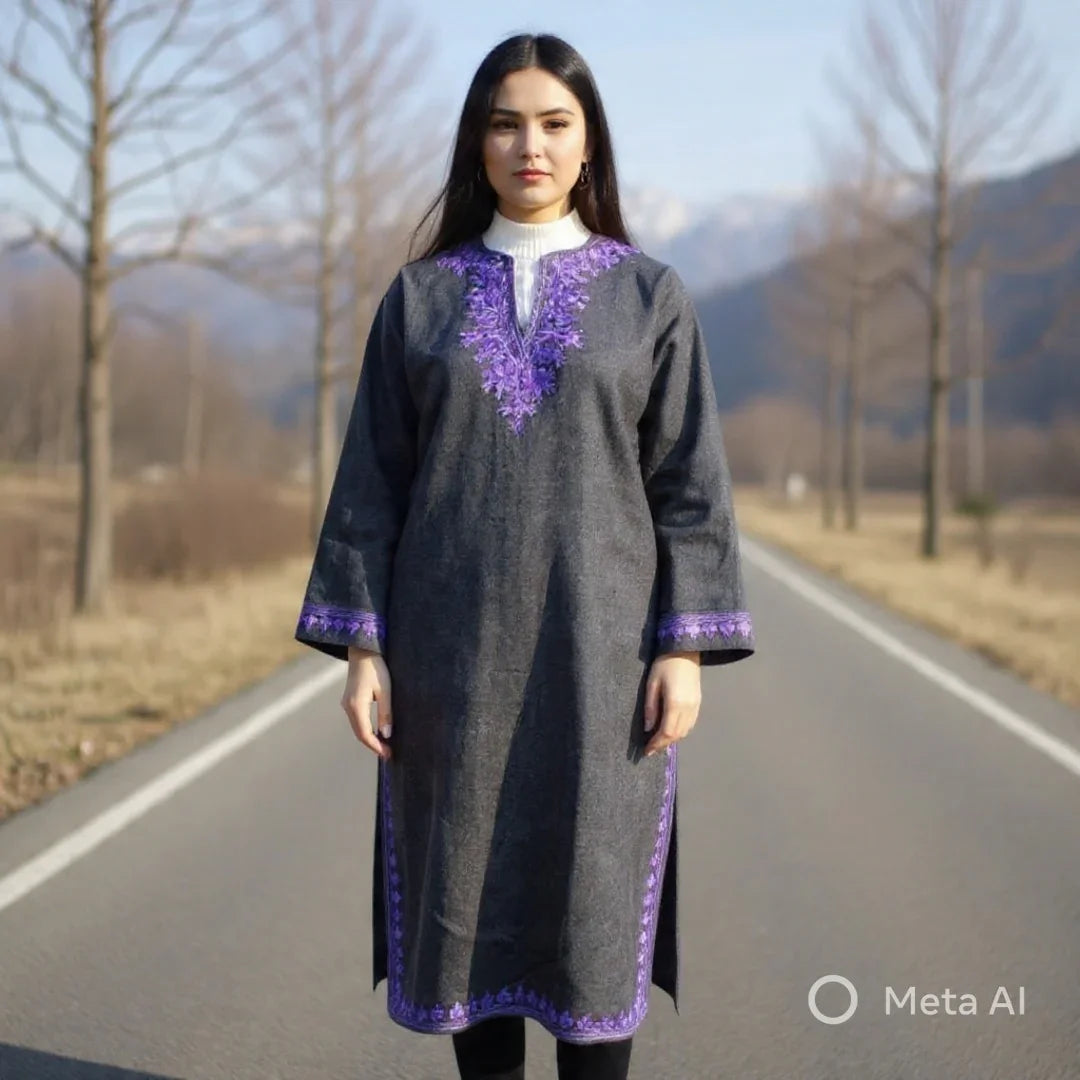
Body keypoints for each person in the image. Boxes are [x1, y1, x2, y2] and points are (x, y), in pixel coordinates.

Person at [294, 31, 756, 1080]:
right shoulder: (420, 298)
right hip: (449, 670)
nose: (529, 146)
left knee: (592, 918)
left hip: (603, 670)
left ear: (590, 144)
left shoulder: (650, 296)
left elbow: (690, 484)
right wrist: (364, 650)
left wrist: (683, 649)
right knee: (469, 915)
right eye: (506, 125)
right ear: (478, 142)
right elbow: (371, 485)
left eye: (554, 123)